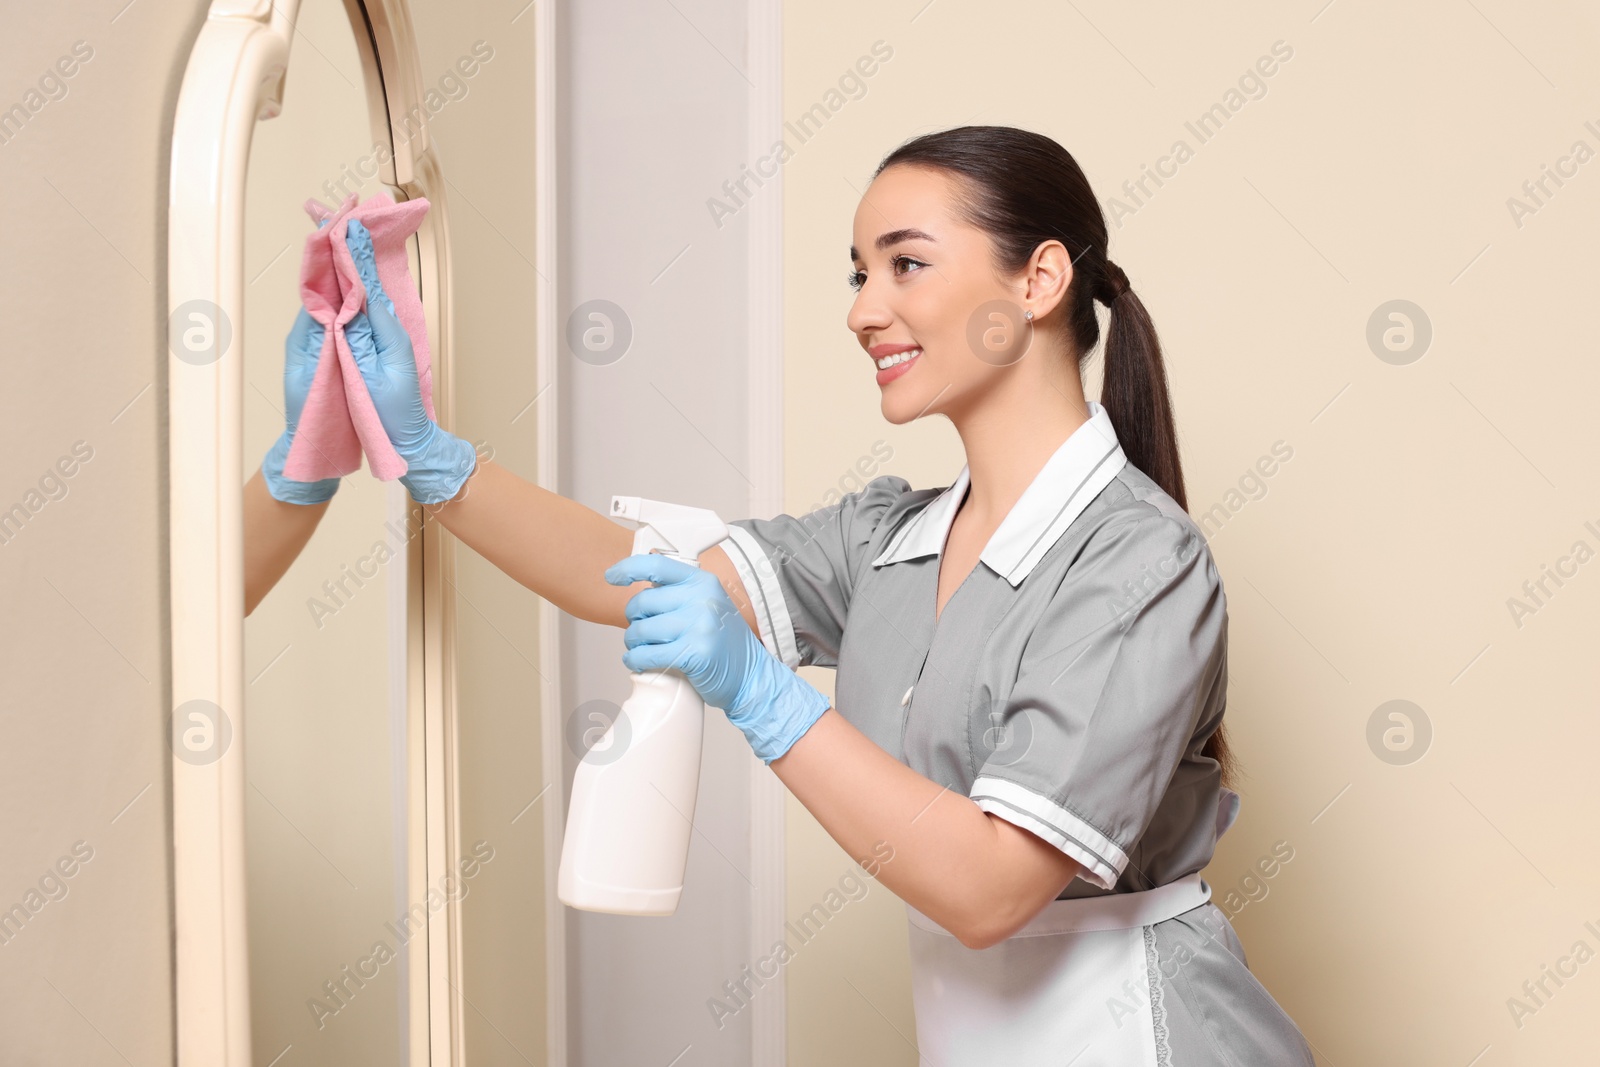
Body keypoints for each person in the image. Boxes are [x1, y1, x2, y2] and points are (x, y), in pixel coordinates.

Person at [251, 127, 1316, 1064]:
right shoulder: (890, 539)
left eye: (905, 265)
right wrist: (430, 457)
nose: (863, 310)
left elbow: (992, 889)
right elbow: (625, 576)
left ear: (1038, 281)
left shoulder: (1136, 564)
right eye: (855, 274)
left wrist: (765, 695)